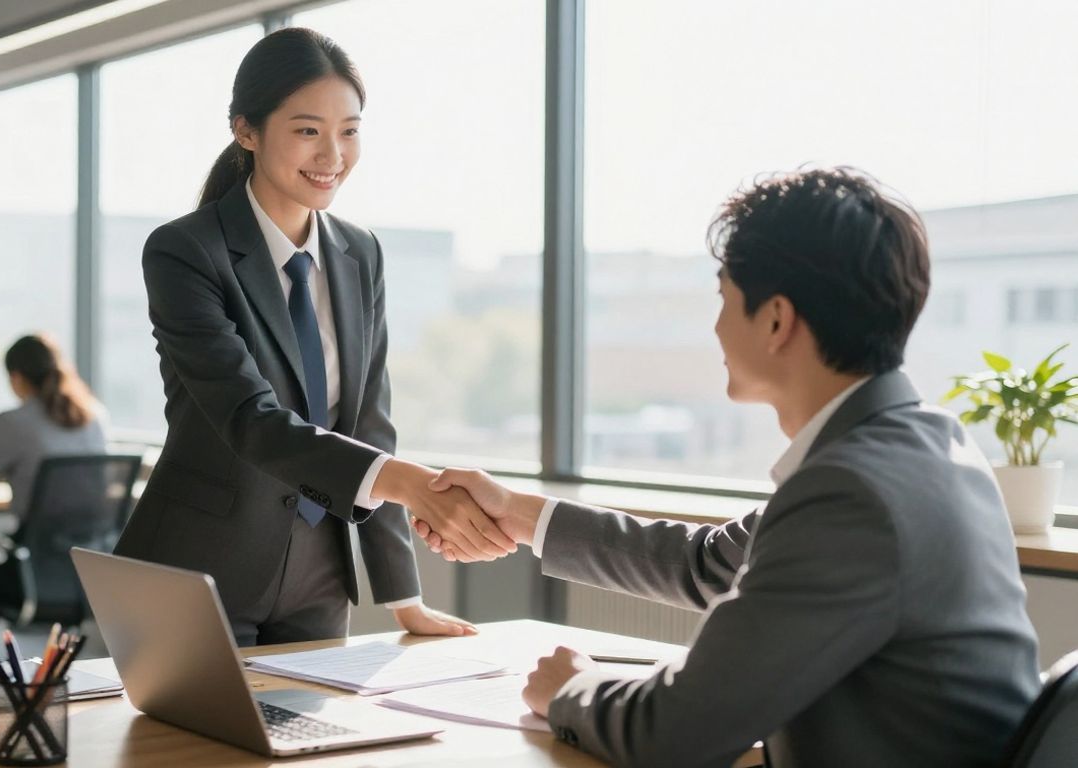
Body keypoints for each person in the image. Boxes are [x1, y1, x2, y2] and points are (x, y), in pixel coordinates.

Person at [415, 168, 1041, 767]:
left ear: (775, 320)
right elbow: (708, 562)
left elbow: (675, 736)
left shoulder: (852, 490)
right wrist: (518, 514)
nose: (714, 325)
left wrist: (572, 690)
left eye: (723, 298)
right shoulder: (921, 443)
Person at [113, 27, 513, 648]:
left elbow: (367, 423)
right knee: (190, 750)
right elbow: (251, 418)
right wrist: (409, 484)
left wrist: (404, 598)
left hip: (319, 580)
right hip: (197, 571)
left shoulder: (360, 253)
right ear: (247, 131)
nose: (333, 154)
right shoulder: (186, 251)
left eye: (349, 131)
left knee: (313, 744)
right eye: (307, 130)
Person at [0, 333, 106, 666]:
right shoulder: (94, 417)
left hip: (31, 573)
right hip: (86, 570)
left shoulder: (14, 422)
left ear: (16, 378)